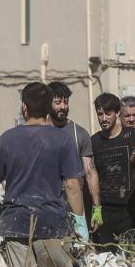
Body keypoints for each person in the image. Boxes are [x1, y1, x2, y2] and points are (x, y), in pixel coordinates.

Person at [0, 81, 87, 267]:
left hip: (16, 223)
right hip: (52, 223)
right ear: (49, 108)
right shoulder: (63, 140)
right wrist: (80, 224)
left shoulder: (7, 139)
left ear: (24, 107)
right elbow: (72, 185)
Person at [90, 91, 135, 244]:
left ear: (117, 113)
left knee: (132, 258)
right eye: (100, 114)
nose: (103, 118)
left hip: (130, 210)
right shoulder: (94, 141)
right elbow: (92, 174)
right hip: (105, 210)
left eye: (108, 113)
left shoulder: (133, 136)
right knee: (107, 260)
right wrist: (96, 209)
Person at [49, 81, 100, 223]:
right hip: (46, 206)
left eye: (66, 102)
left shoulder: (80, 134)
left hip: (75, 207)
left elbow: (90, 172)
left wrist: (97, 208)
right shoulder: (39, 132)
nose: (63, 107)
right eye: (57, 102)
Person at [120, 95, 135, 227]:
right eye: (127, 116)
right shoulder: (114, 137)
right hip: (121, 200)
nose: (131, 119)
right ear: (119, 116)